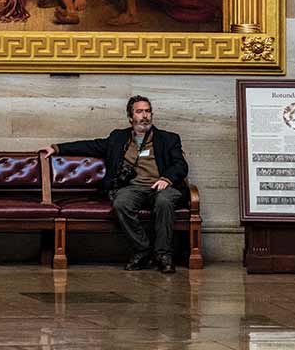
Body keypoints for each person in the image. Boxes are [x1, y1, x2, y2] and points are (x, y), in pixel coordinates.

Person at [45, 96, 189, 273]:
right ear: (130, 117)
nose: (144, 116)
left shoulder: (169, 139)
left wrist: (166, 179)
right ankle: (143, 250)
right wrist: (57, 148)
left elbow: (180, 165)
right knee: (121, 203)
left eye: (147, 111)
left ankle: (163, 255)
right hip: (133, 188)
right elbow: (92, 145)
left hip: (163, 187)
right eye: (139, 111)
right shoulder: (118, 138)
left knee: (164, 201)